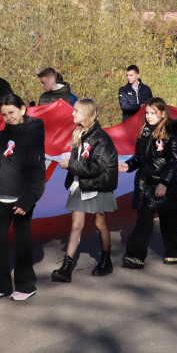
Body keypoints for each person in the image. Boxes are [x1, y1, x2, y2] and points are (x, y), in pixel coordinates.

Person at [0, 94, 45, 300]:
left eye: (12, 113)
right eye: (4, 114)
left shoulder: (33, 137)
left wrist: (27, 200)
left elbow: (38, 175)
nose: (8, 117)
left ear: (23, 110)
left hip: (21, 200)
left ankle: (26, 285)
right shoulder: (1, 136)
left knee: (22, 243)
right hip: (1, 198)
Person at [52, 99, 118, 281]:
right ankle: (66, 268)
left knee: (100, 224)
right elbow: (82, 159)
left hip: (98, 186)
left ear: (87, 114)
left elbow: (96, 166)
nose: (72, 114)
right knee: (76, 226)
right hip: (81, 185)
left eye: (76, 111)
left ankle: (106, 261)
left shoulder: (101, 138)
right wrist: (70, 159)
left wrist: (70, 164)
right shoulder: (79, 133)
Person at [119, 98, 177, 267]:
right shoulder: (144, 132)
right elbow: (139, 157)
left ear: (162, 113)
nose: (148, 117)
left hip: (166, 185)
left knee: (169, 220)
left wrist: (164, 182)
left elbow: (176, 161)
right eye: (147, 113)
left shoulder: (173, 132)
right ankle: (136, 256)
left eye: (153, 113)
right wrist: (128, 165)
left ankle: (175, 251)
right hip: (145, 184)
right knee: (143, 221)